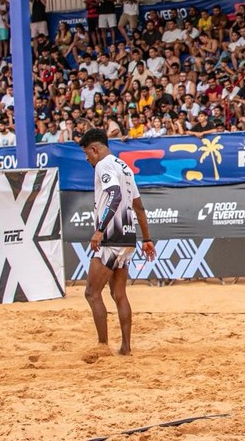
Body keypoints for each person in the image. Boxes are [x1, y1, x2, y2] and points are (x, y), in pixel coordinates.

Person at [78, 128, 155, 355]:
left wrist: (100, 230)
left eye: (87, 154)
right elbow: (139, 207)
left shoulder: (103, 165)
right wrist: (147, 238)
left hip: (111, 236)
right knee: (119, 294)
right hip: (128, 236)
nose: (87, 159)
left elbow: (115, 195)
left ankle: (102, 347)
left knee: (92, 293)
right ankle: (125, 348)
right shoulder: (125, 167)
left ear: (94, 149)